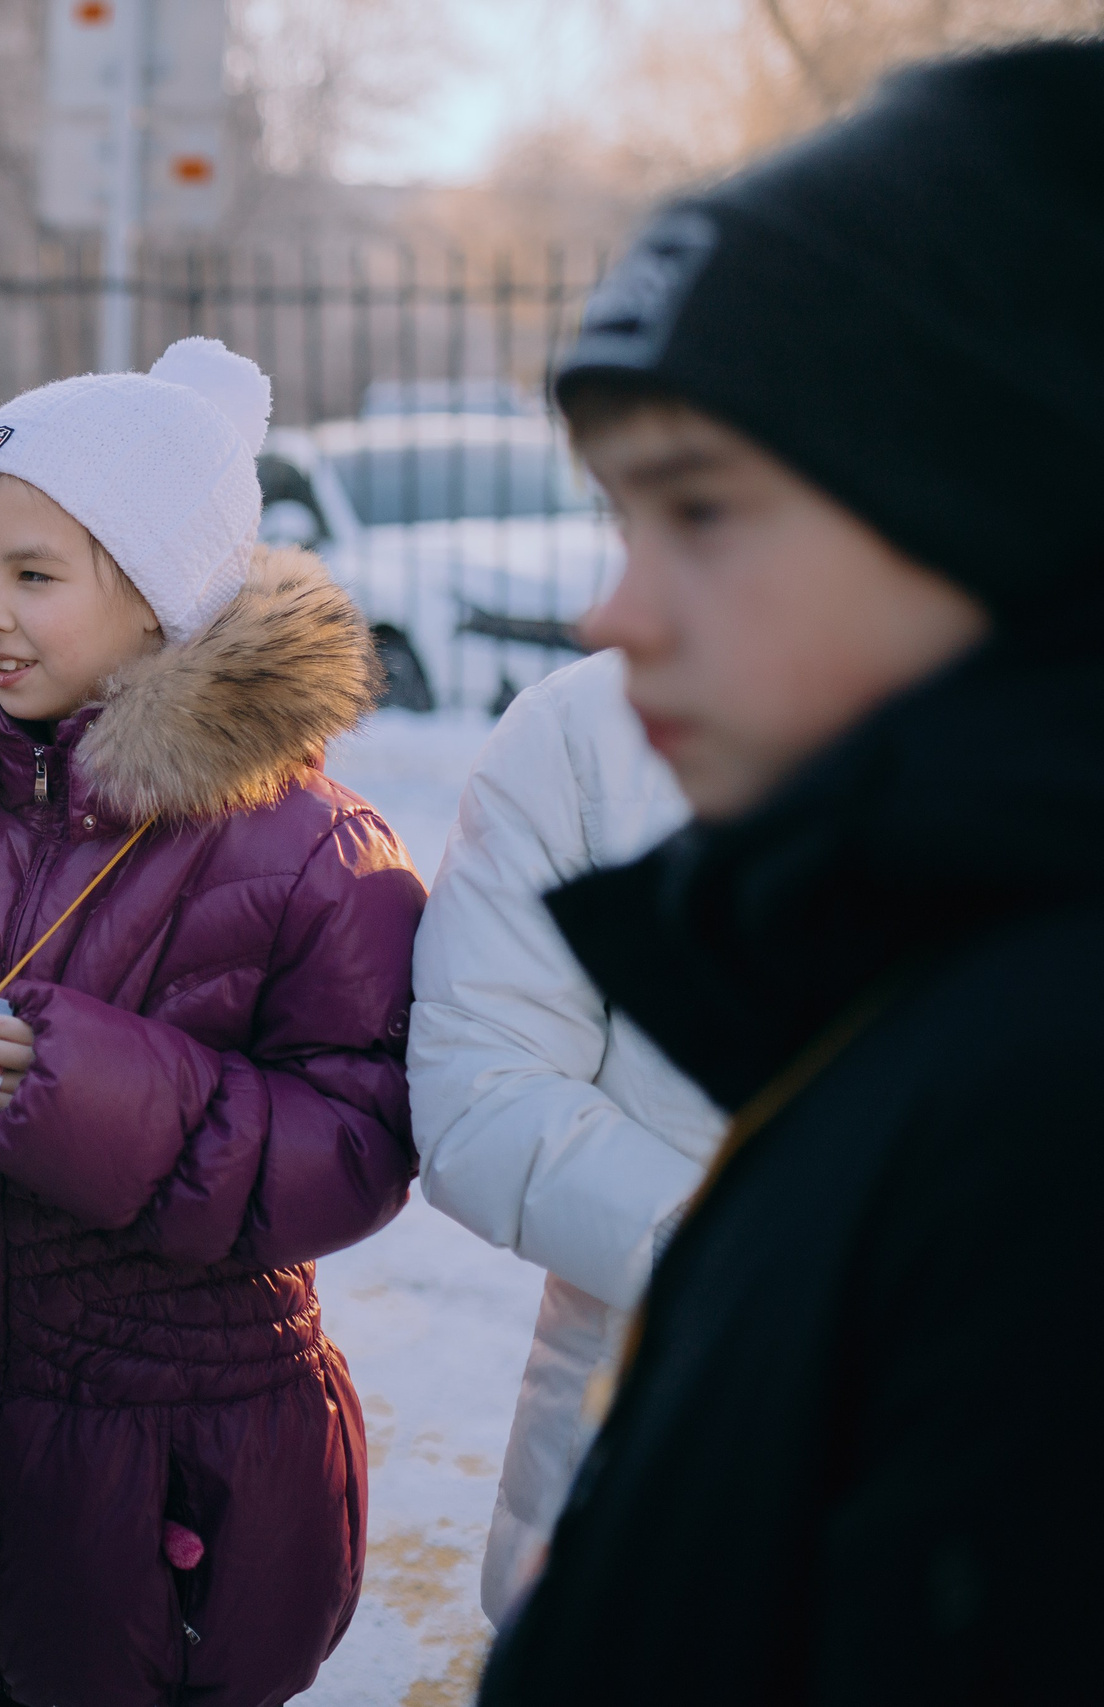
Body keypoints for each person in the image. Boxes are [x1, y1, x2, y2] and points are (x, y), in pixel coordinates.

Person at [475, 42, 1104, 1705]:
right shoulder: (922, 990)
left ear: (994, 499)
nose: (615, 611)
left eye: (702, 511)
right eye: (616, 515)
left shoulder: (1045, 1103)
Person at [0, 339, 425, 1707]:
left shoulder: (310, 849)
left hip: (176, 1462)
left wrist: (85, 1090)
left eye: (35, 574)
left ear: (158, 595)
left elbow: (364, 1137)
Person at [406, 648, 725, 1621]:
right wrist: (732, 1254)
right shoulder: (585, 728)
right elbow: (481, 1083)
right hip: (650, 1447)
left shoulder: (1036, 708)